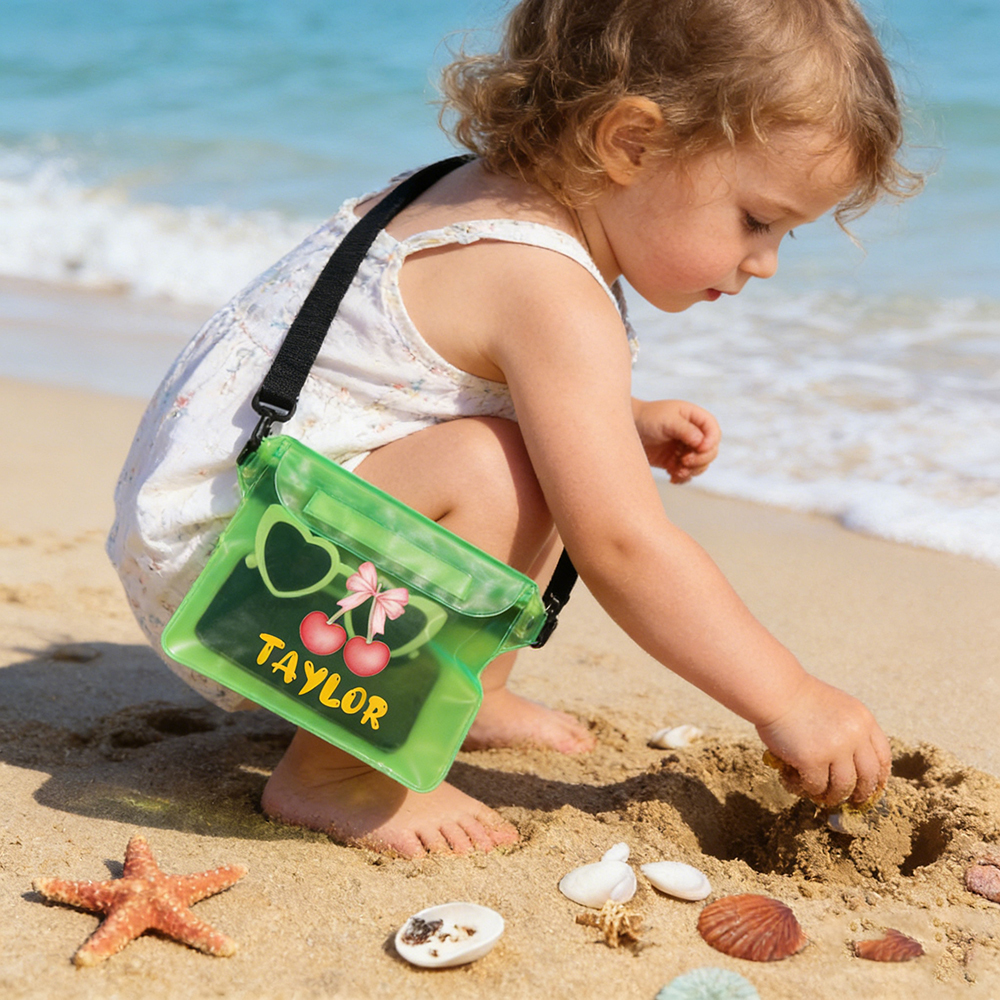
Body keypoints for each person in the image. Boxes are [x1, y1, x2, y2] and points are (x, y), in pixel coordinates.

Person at [108, 0, 921, 858]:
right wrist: (787, 697)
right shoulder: (547, 286)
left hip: (224, 529)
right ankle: (338, 773)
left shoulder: (478, 189)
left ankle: (463, 690)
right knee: (503, 471)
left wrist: (621, 421)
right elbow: (623, 547)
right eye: (758, 221)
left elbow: (405, 385)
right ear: (632, 143)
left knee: (531, 454)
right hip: (236, 591)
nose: (765, 263)